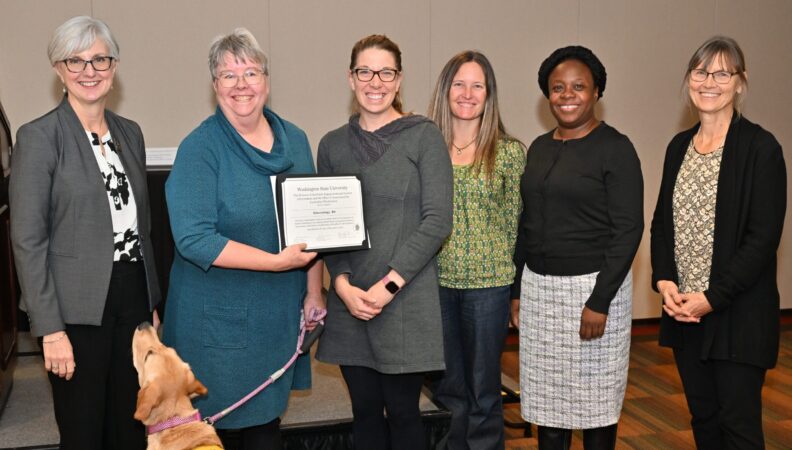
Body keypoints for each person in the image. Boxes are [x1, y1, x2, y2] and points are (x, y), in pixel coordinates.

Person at [161, 28, 324, 449]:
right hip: (212, 326)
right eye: (228, 75)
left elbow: (314, 227)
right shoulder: (200, 147)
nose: (241, 85)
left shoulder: (297, 140)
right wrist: (275, 263)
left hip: (276, 317)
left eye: (251, 72)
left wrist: (313, 292)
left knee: (265, 428)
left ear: (267, 81)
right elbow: (194, 239)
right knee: (213, 436)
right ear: (214, 85)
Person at [9, 16, 161, 450]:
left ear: (114, 68)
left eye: (99, 59)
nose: (89, 71)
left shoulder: (130, 134)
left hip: (131, 298)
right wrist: (50, 330)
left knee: (132, 423)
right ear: (58, 69)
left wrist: (149, 304)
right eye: (75, 61)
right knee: (83, 429)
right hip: (74, 311)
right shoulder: (39, 137)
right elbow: (28, 241)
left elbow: (141, 226)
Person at [315, 34, 453, 450]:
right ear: (350, 77)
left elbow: (437, 221)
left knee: (405, 415)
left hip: (406, 299)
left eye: (386, 72)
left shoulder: (423, 136)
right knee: (365, 415)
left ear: (399, 79)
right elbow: (329, 229)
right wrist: (341, 286)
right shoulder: (332, 144)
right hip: (350, 301)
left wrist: (388, 286)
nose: (375, 82)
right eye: (365, 71)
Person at [650, 36, 786, 449]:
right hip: (686, 313)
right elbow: (662, 224)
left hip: (737, 315)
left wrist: (712, 297)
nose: (710, 81)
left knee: (739, 429)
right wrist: (666, 282)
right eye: (700, 72)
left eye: (722, 73)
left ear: (740, 83)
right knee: (704, 422)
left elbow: (762, 240)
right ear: (689, 79)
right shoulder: (679, 147)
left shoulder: (761, 149)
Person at [510, 46, 643, 450]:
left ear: (597, 91)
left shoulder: (615, 148)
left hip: (594, 294)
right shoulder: (538, 147)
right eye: (557, 87)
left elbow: (628, 229)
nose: (567, 95)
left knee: (596, 408)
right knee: (548, 410)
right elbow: (526, 223)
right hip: (540, 294)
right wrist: (517, 290)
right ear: (547, 95)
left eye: (578, 87)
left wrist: (600, 300)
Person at [427, 50, 525, 450]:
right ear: (446, 90)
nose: (467, 93)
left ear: (489, 94)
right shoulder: (425, 147)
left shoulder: (509, 152)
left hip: (489, 286)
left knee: (484, 391)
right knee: (447, 390)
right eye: (459, 84)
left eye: (477, 86)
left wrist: (515, 292)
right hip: (434, 285)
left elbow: (515, 225)